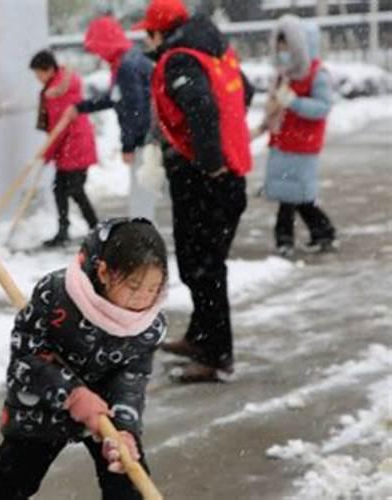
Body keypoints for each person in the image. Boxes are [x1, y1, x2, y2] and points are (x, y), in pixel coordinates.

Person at [0, 218, 168, 500]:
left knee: (127, 481)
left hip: (104, 411)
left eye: (153, 289)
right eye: (134, 286)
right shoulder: (57, 294)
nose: (143, 299)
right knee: (14, 482)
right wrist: (72, 395)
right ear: (104, 272)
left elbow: (131, 379)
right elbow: (25, 359)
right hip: (42, 403)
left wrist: (124, 429)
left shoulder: (148, 325)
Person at [133, 0, 254, 382]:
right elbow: (244, 92)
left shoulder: (180, 60)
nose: (145, 41)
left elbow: (202, 106)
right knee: (197, 263)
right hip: (223, 178)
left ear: (159, 32)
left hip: (207, 181)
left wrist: (208, 161)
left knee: (205, 269)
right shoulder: (215, 52)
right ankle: (201, 337)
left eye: (147, 33)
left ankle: (217, 356)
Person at [255, 15, 336, 257]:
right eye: (279, 48)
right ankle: (320, 233)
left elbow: (322, 107)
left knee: (294, 195)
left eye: (287, 48)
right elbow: (276, 103)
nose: (282, 53)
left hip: (302, 144)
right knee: (292, 194)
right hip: (283, 141)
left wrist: (294, 102)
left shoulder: (316, 74)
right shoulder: (283, 73)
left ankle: (288, 239)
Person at [62, 15, 156, 219]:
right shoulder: (126, 61)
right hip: (146, 136)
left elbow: (135, 108)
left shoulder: (127, 66)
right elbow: (116, 98)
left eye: (97, 48)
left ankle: (142, 242)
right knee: (144, 193)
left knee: (143, 194)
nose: (98, 54)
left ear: (106, 43)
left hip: (145, 139)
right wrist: (81, 107)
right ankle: (142, 238)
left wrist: (129, 145)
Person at [30, 50, 99, 247]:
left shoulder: (57, 91)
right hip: (70, 146)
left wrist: (46, 154)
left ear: (49, 69)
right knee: (60, 189)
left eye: (38, 74)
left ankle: (95, 229)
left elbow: (58, 128)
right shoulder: (58, 85)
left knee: (75, 190)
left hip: (74, 145)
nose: (38, 79)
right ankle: (65, 230)